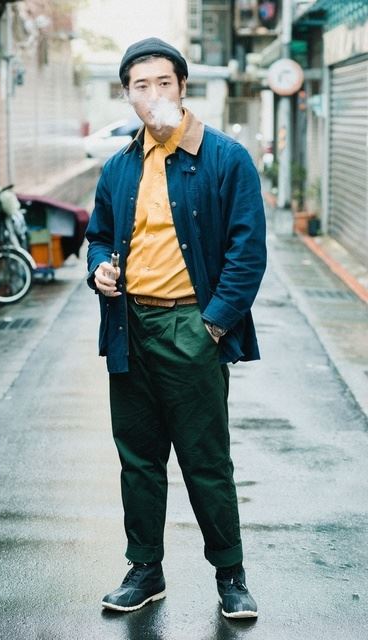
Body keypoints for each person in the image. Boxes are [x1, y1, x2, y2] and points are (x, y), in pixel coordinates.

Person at [86, 37, 266, 619]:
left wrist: (212, 326)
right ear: (128, 95)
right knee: (138, 458)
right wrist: (99, 269)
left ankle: (231, 574)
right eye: (141, 85)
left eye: (164, 82)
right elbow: (98, 237)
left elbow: (247, 253)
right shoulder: (120, 166)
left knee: (204, 459)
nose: (154, 93)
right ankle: (145, 570)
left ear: (182, 87)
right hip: (129, 325)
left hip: (192, 323)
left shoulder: (225, 158)